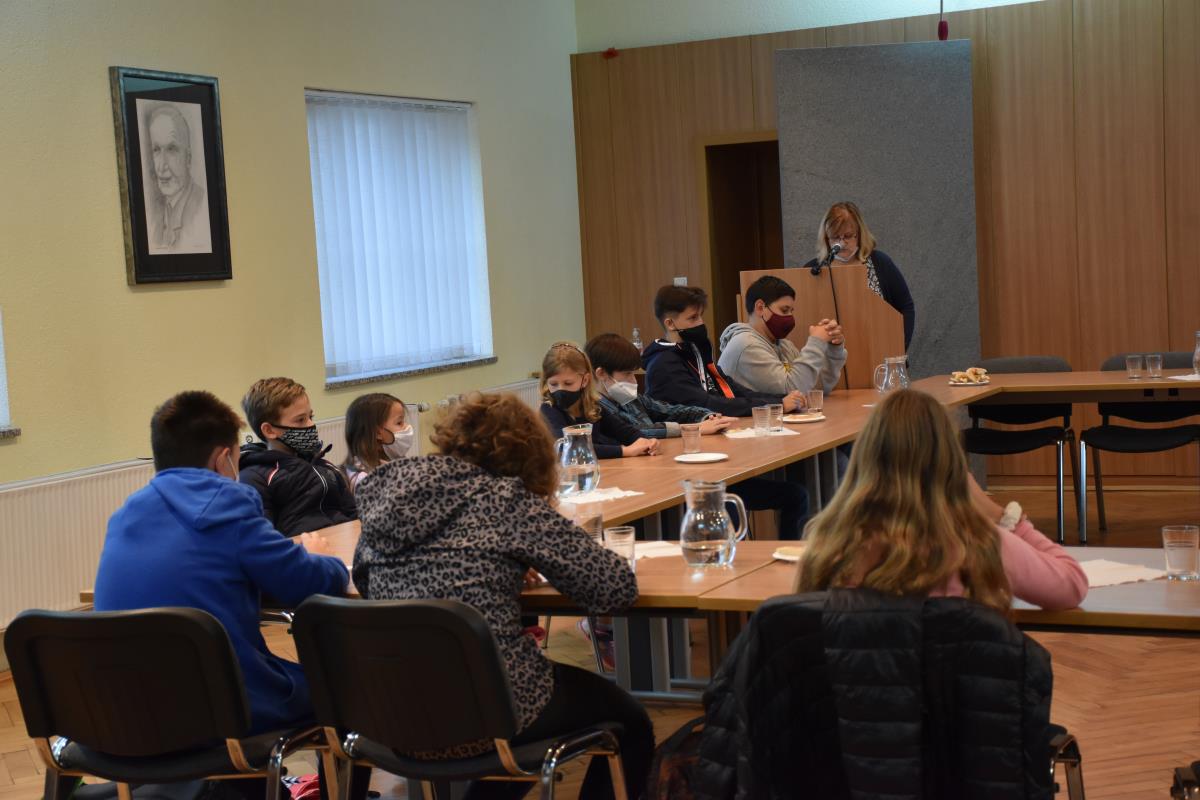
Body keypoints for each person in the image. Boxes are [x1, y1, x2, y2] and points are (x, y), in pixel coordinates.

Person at [353, 392, 654, 799]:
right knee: (629, 721)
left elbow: (367, 583)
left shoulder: (388, 498)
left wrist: (502, 563)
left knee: (516, 724)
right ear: (530, 456)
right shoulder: (505, 500)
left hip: (393, 711)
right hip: (487, 710)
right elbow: (614, 588)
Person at [94, 391, 350, 734]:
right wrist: (323, 560)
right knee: (345, 684)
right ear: (222, 459)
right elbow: (307, 582)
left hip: (126, 719)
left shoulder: (124, 515)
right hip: (221, 710)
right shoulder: (227, 505)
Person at [795, 389, 1087, 611]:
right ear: (950, 462)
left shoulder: (828, 549)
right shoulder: (979, 543)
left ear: (865, 459)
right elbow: (1072, 585)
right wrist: (1001, 516)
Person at [586, 331, 809, 539]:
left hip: (679, 474)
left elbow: (670, 409)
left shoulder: (631, 399)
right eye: (627, 374)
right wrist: (693, 429)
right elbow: (639, 432)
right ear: (601, 374)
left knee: (793, 495)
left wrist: (706, 416)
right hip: (654, 487)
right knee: (723, 506)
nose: (633, 381)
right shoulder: (596, 409)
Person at [642, 285, 807, 416]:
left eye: (700, 316)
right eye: (693, 318)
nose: (700, 323)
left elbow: (734, 389)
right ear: (670, 324)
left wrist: (782, 399)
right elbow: (707, 403)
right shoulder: (664, 364)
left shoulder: (695, 352)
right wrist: (777, 405)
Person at [239, 377, 357, 536]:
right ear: (269, 430)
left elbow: (353, 514)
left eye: (311, 417)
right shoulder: (255, 477)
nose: (310, 425)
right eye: (300, 420)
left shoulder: (324, 466)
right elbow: (262, 537)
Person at [803, 201, 915, 349]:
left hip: (878, 349)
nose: (842, 243)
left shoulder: (880, 262)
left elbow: (905, 307)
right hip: (828, 355)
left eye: (848, 236)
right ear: (826, 238)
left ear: (860, 234)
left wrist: (899, 347)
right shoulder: (813, 270)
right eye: (835, 237)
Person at [718, 275, 848, 396]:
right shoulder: (746, 345)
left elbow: (814, 388)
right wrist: (816, 343)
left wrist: (833, 349)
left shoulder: (785, 345)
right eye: (784, 310)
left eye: (791, 311)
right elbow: (793, 391)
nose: (790, 317)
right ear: (760, 308)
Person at [539, 341, 658, 459]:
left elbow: (624, 431)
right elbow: (570, 447)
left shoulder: (593, 407)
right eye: (553, 384)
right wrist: (625, 451)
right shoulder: (549, 409)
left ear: (585, 380)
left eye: (568, 383)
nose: (560, 389)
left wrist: (648, 442)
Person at [145, 103, 211, 253]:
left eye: (171, 149)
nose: (161, 166)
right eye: (156, 150)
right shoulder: (154, 216)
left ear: (188, 158)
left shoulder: (202, 208)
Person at [343, 392, 412, 491]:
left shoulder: (394, 461)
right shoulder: (366, 479)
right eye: (399, 423)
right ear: (377, 433)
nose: (407, 427)